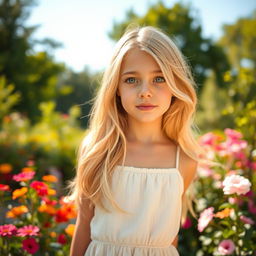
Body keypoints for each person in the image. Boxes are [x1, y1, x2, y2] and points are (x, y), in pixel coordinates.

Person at [68, 25, 208, 256]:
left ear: (175, 86)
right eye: (132, 79)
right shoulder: (97, 149)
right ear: (116, 88)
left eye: (159, 79)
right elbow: (83, 225)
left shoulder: (184, 160)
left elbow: (169, 240)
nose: (145, 91)